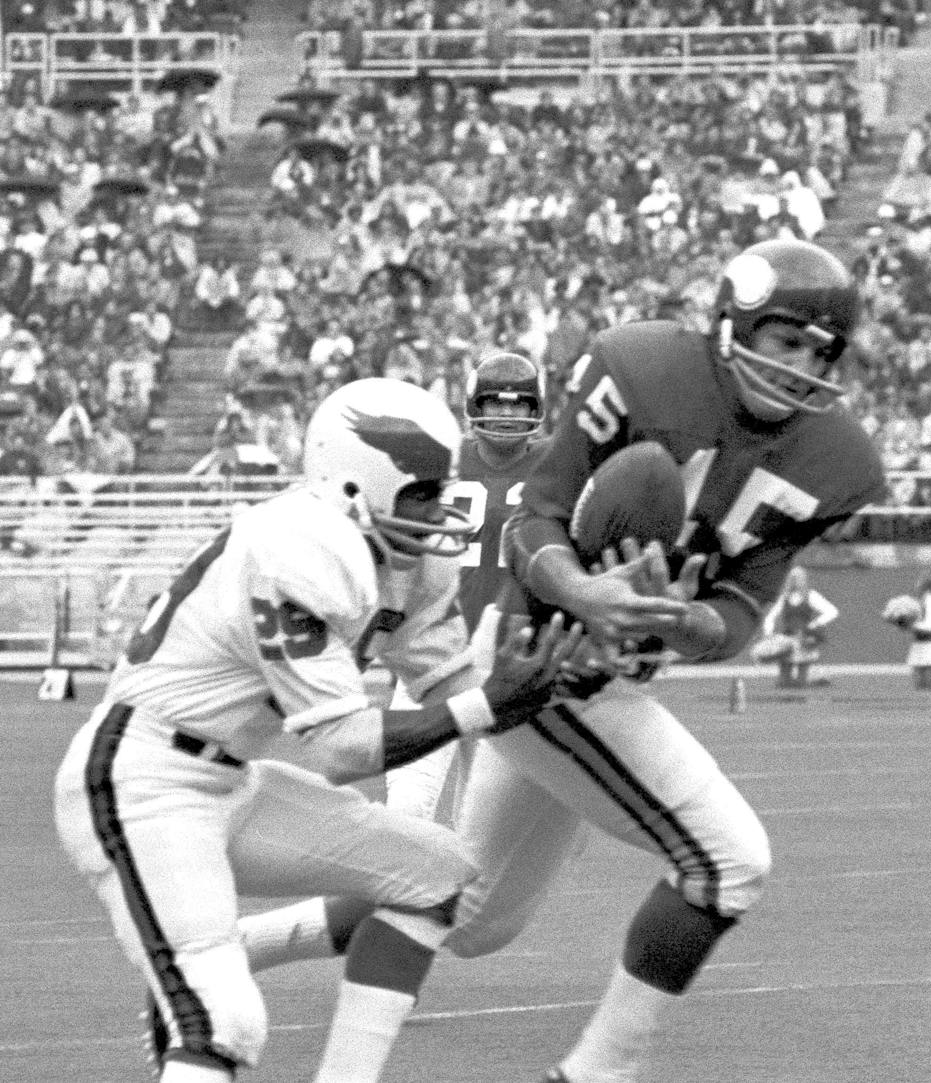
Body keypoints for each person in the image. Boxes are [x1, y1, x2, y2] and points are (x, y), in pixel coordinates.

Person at [234, 238, 886, 1083]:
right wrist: (584, 590)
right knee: (729, 860)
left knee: (467, 916)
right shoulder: (642, 370)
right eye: (784, 340)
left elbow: (744, 609)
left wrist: (687, 621)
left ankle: (235, 948)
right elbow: (534, 519)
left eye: (816, 351)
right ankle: (597, 1072)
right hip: (539, 654)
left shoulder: (836, 461)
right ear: (733, 326)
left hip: (603, 674)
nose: (799, 365)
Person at [53, 378, 582, 1082]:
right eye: (421, 491)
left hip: (231, 780)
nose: (439, 509)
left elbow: (451, 685)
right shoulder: (295, 544)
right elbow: (341, 750)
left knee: (436, 875)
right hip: (142, 779)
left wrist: (543, 683)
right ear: (357, 487)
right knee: (226, 1022)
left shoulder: (409, 561)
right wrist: (487, 706)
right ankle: (193, 1005)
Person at [385, 351, 551, 820]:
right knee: (407, 807)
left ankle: (456, 895)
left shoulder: (558, 464)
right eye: (495, 403)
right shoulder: (441, 457)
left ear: (534, 408)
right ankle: (404, 892)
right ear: (474, 404)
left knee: (477, 824)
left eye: (517, 404)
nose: (505, 414)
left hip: (505, 660)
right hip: (430, 650)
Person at [750, 565, 840, 688]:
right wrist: (768, 634)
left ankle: (810, 688)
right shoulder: (785, 598)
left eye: (799, 578)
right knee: (784, 680)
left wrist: (815, 623)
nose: (796, 581)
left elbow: (832, 611)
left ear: (804, 580)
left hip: (804, 640)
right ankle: (815, 683)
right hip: (787, 641)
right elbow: (770, 617)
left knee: (801, 679)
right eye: (794, 578)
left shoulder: (811, 596)